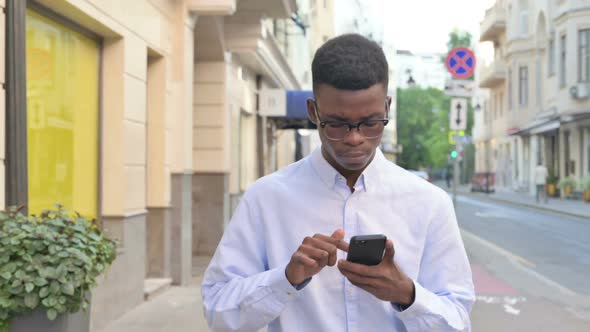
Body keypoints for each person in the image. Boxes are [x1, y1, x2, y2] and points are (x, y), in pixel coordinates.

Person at [201, 34, 474, 332]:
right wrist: (286, 278)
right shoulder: (266, 198)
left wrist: (406, 295)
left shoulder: (429, 203)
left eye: (371, 122)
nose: (354, 138)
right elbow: (218, 310)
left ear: (387, 108)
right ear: (313, 112)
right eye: (336, 124)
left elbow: (457, 321)